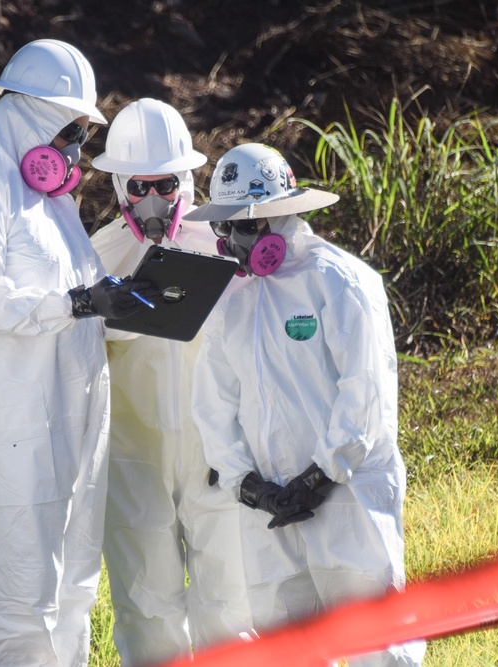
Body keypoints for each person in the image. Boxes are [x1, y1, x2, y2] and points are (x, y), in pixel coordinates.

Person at [0, 39, 152, 667]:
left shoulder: (53, 206)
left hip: (75, 432)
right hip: (18, 437)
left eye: (83, 137)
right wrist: (79, 303)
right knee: (18, 603)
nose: (75, 151)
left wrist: (122, 307)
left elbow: (76, 310)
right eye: (70, 131)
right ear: (28, 114)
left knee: (73, 590)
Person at [184, 142, 426, 666]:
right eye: (221, 228)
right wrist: (247, 483)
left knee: (374, 642)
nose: (226, 241)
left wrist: (321, 476)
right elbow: (213, 402)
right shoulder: (231, 299)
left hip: (346, 496)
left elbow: (364, 393)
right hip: (270, 507)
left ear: (278, 217)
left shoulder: (340, 282)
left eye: (238, 226)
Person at [88, 98, 256, 666]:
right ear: (117, 186)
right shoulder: (93, 259)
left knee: (230, 600)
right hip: (135, 458)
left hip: (215, 449)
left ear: (187, 177)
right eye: (138, 186)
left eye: (164, 183)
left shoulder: (224, 246)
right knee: (146, 605)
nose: (153, 200)